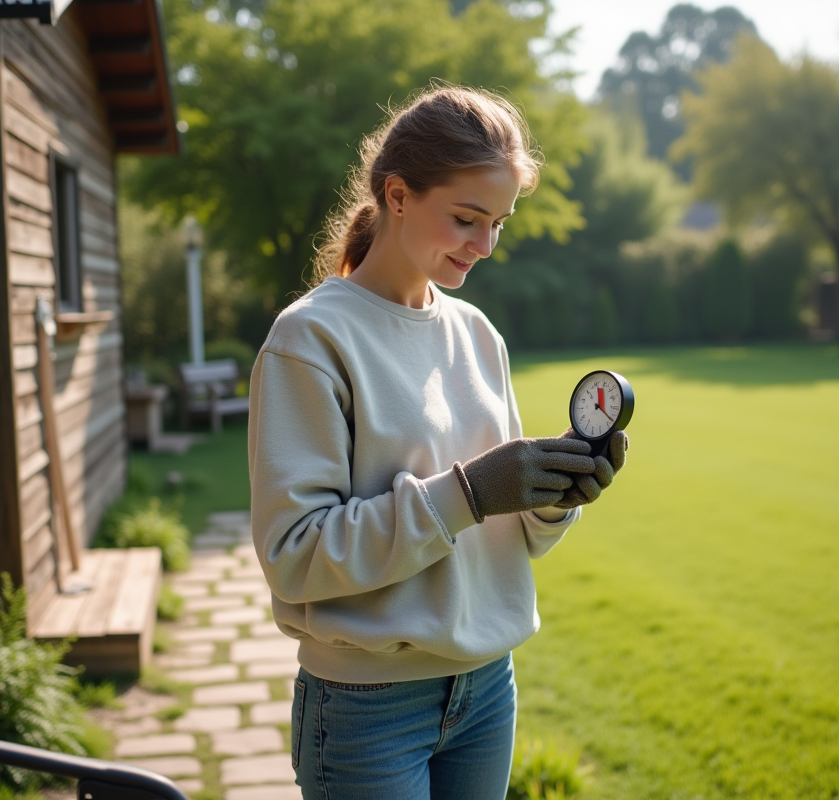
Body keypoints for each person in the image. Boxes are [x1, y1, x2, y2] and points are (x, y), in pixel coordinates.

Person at [248, 85, 628, 800]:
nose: (484, 246)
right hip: (368, 708)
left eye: (499, 225)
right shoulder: (310, 340)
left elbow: (507, 532)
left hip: (487, 690)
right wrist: (471, 492)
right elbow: (294, 558)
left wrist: (556, 496)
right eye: (466, 218)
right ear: (397, 196)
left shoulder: (478, 335)